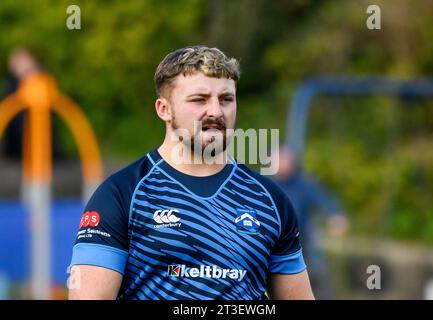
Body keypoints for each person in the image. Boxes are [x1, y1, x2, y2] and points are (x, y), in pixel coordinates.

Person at [68, 46, 314, 300]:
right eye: (199, 100)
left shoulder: (269, 199)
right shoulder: (121, 194)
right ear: (164, 109)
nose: (216, 112)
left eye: (226, 99)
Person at [272, 146, 349, 299]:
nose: (282, 163)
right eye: (278, 159)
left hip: (302, 247)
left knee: (318, 279)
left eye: (286, 159)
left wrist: (336, 217)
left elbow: (327, 202)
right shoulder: (263, 184)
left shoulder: (304, 184)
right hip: (270, 246)